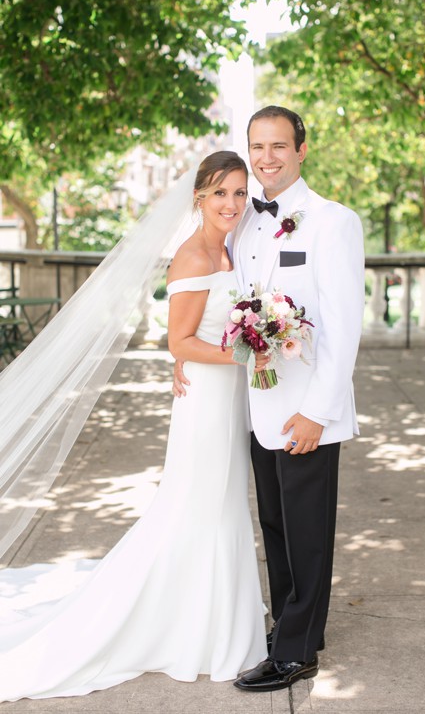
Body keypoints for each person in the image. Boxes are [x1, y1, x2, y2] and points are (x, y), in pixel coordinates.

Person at [0, 151, 268, 701]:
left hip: (225, 395)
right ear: (198, 196)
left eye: (240, 193)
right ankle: (194, 627)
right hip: (207, 402)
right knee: (199, 503)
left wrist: (240, 345)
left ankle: (215, 616)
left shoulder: (232, 248)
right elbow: (180, 342)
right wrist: (249, 356)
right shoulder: (193, 256)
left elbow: (201, 331)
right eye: (221, 193)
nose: (232, 204)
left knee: (221, 504)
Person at [176, 105, 365, 692]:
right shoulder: (246, 221)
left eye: (279, 146)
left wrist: (319, 411)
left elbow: (343, 326)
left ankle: (296, 653)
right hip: (257, 405)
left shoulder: (334, 222)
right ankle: (294, 624)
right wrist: (186, 353)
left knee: (307, 529)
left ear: (301, 149)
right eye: (258, 146)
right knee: (277, 525)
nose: (266, 158)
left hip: (308, 408)